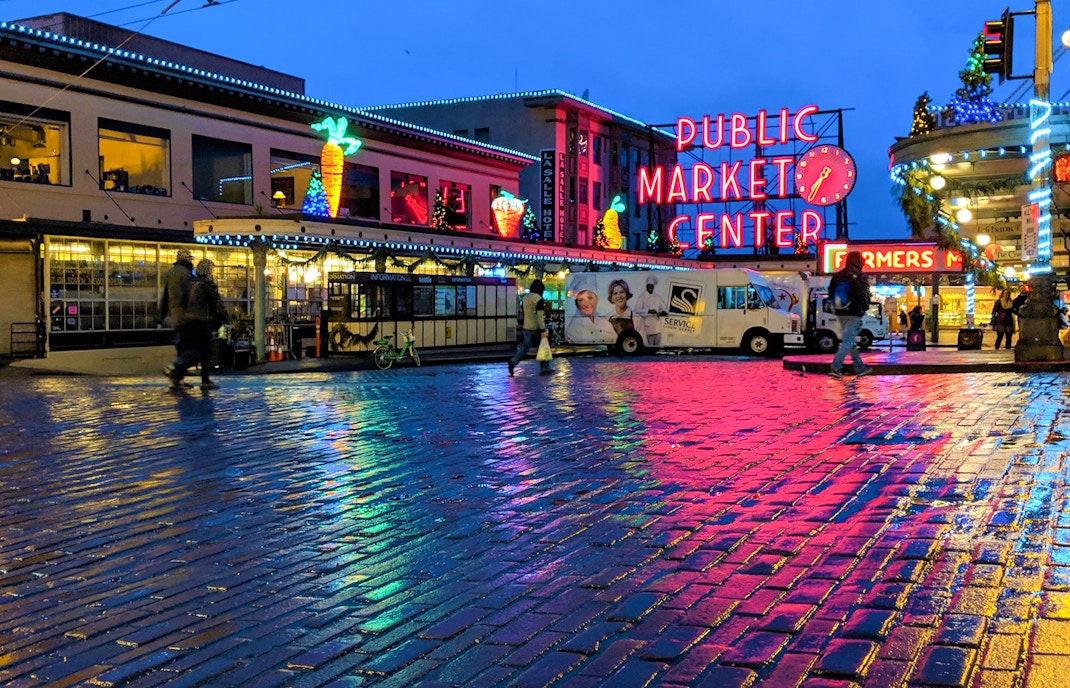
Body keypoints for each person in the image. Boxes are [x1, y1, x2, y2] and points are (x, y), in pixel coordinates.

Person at [170, 258, 228, 389]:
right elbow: (216, 305)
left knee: (197, 350)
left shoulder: (193, 284)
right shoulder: (207, 285)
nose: (212, 272)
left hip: (190, 322)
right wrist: (224, 319)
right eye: (211, 269)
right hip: (203, 322)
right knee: (203, 352)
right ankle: (200, 379)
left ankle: (180, 376)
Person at [827, 251, 872, 378]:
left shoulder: (838, 276)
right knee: (847, 341)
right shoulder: (860, 277)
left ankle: (859, 367)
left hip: (840, 313)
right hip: (854, 313)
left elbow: (830, 293)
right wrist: (863, 309)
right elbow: (865, 296)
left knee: (850, 340)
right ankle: (835, 367)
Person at [158, 248, 195, 388]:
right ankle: (175, 370)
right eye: (190, 258)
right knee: (189, 345)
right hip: (184, 313)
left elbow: (165, 296)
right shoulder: (185, 274)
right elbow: (189, 294)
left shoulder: (171, 273)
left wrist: (162, 315)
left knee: (182, 344)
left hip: (173, 313)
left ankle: (178, 378)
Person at [509, 279, 551, 376]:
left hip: (526, 327)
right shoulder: (539, 299)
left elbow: (522, 311)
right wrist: (543, 330)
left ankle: (513, 361)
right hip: (536, 328)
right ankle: (544, 368)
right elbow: (540, 316)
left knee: (524, 348)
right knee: (543, 347)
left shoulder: (525, 298)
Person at [633, 274, 668, 346]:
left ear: (653, 287)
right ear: (646, 286)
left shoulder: (657, 297)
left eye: (651, 286)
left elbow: (663, 307)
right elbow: (637, 309)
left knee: (657, 345)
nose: (650, 288)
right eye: (648, 286)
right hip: (648, 325)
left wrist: (663, 312)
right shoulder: (642, 297)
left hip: (657, 326)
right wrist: (648, 311)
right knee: (650, 345)